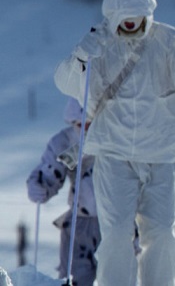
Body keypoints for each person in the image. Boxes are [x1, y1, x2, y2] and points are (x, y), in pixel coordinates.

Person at [54, 0, 175, 286]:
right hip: (114, 154)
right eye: (125, 19)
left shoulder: (169, 42)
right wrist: (79, 60)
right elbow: (66, 83)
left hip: (162, 154)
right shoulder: (98, 43)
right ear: (112, 15)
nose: (131, 25)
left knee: (165, 234)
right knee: (116, 236)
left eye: (137, 18)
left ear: (147, 12)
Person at [26, 99, 99, 286]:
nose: (86, 130)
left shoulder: (116, 138)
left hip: (117, 221)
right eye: (80, 125)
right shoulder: (71, 145)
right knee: (76, 275)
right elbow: (52, 171)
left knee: (117, 274)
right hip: (80, 223)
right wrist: (41, 186)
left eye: (91, 124)